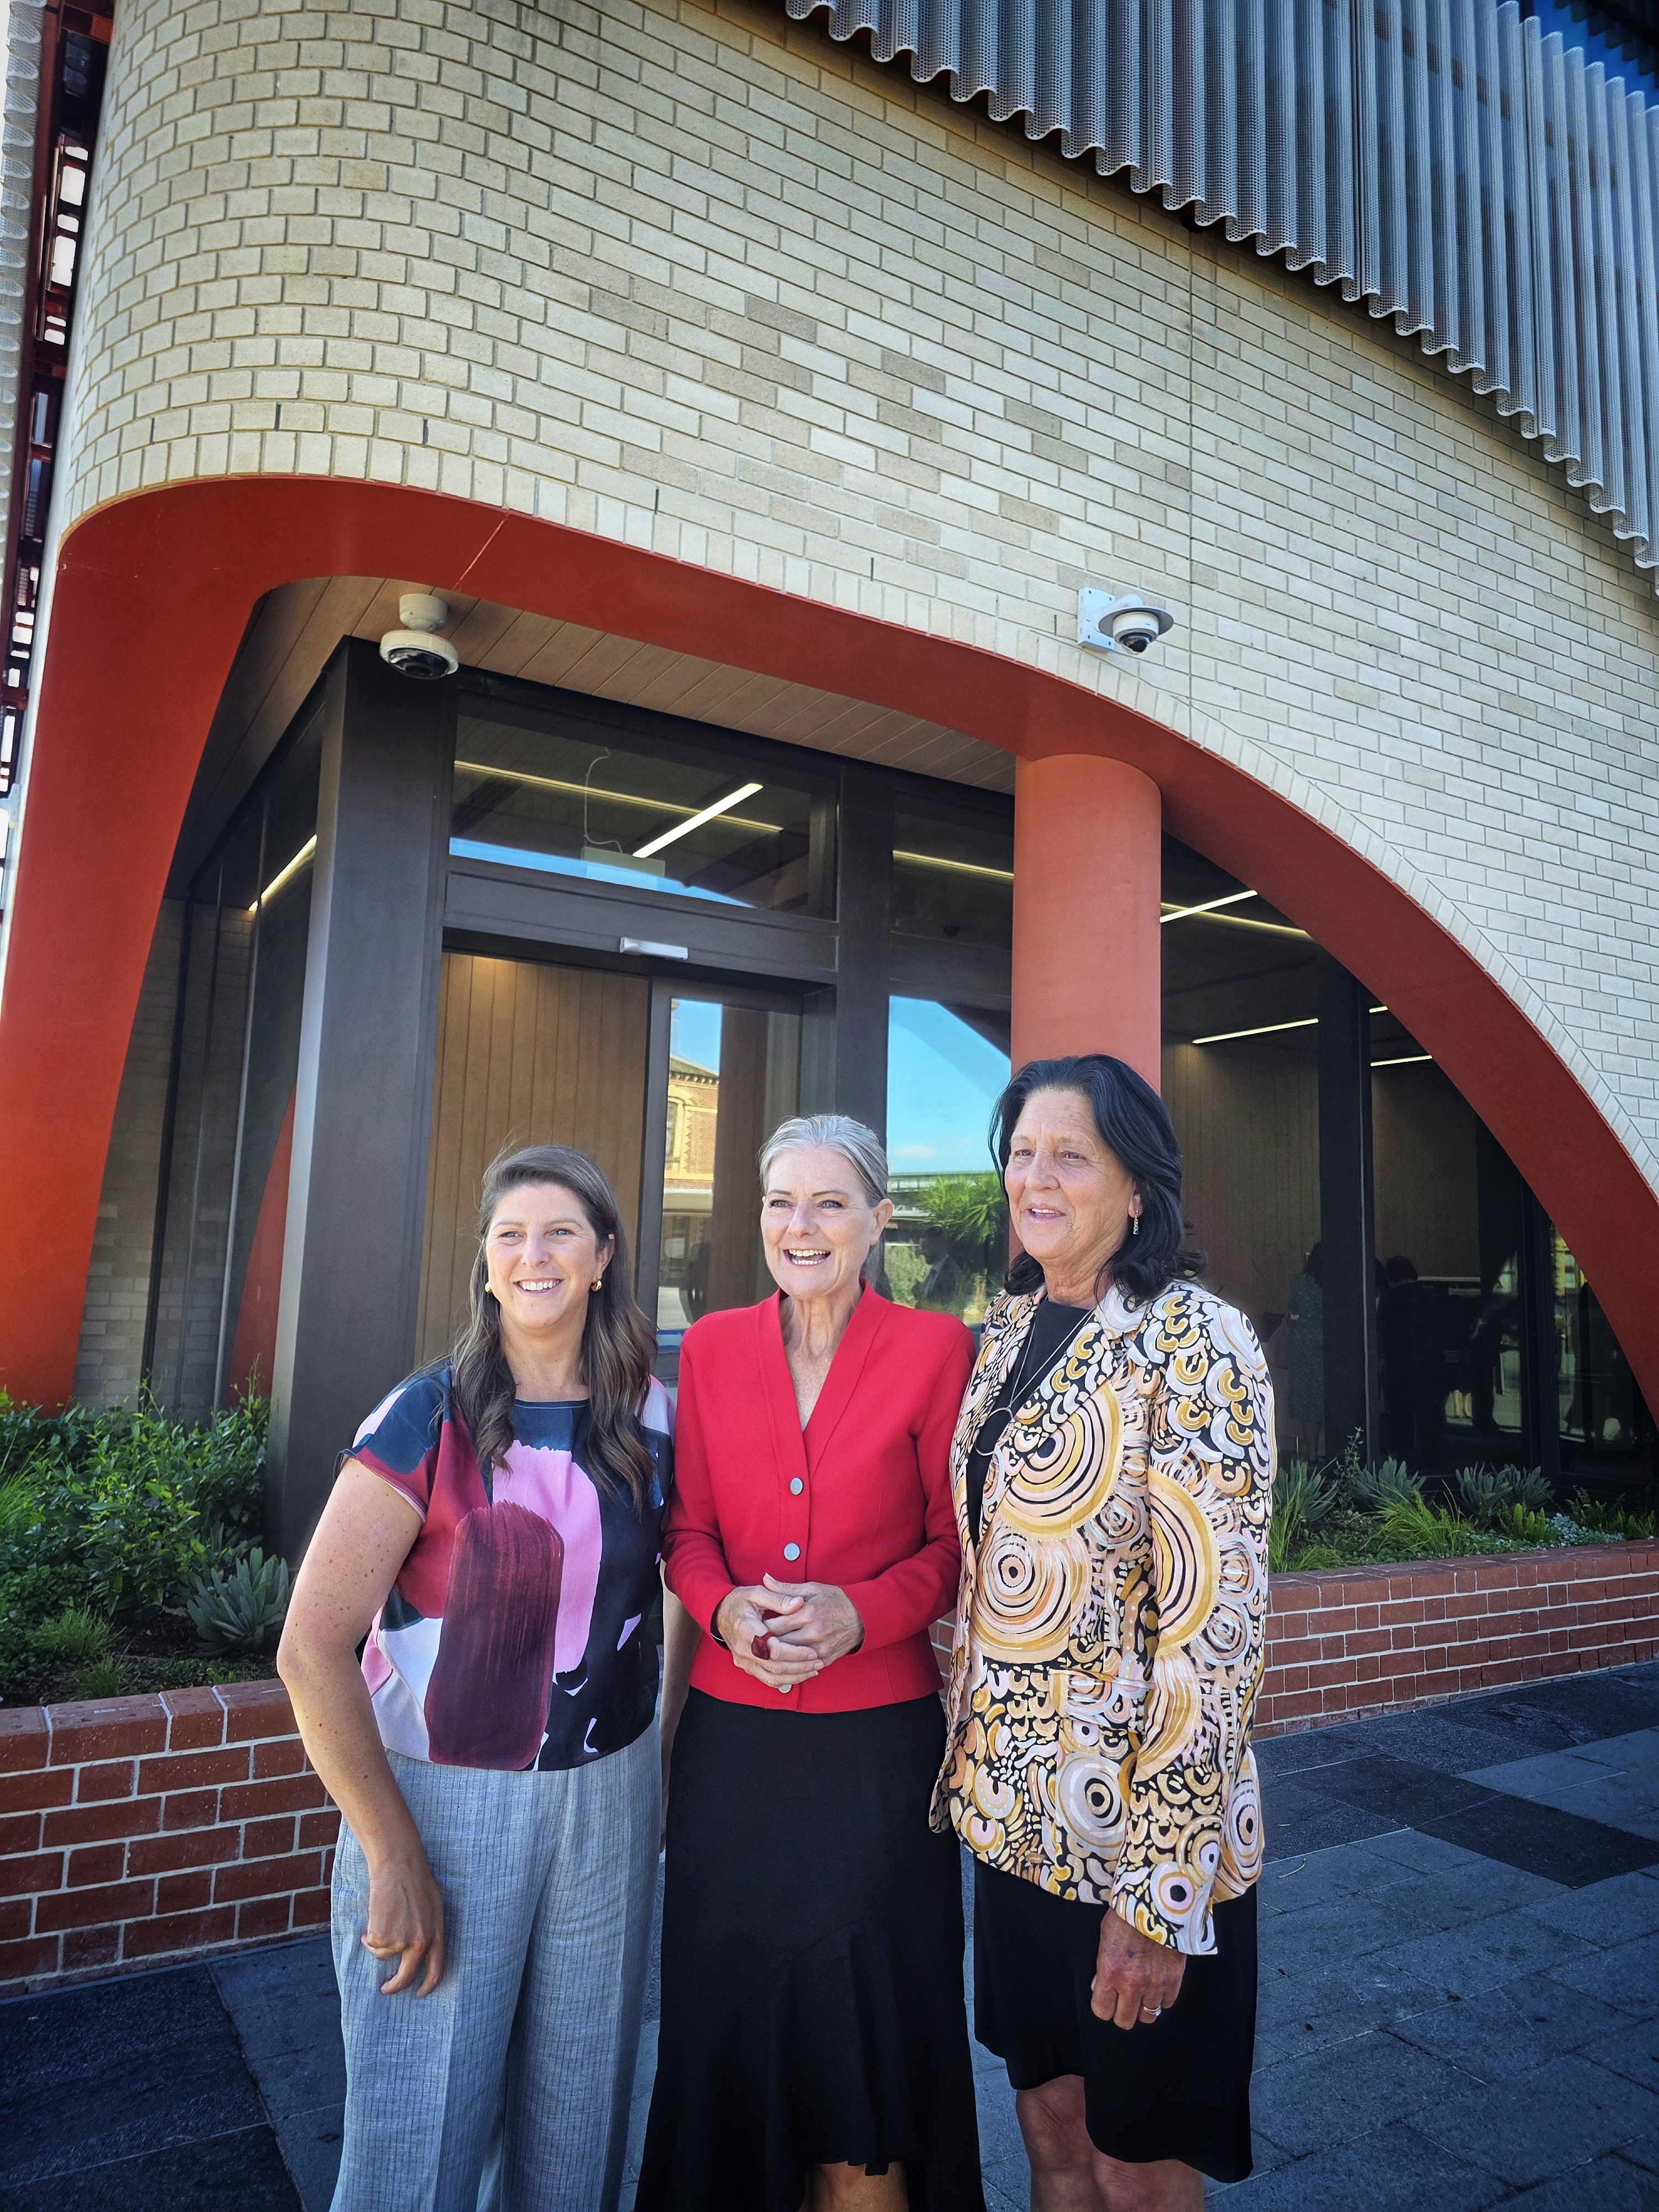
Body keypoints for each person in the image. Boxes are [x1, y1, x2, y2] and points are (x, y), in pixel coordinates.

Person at [277, 1144, 674, 2212]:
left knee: (580, 2132)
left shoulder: (653, 1420)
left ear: (602, 1259)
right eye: (510, 1236)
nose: (533, 1255)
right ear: (487, 1265)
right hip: (443, 1803)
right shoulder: (424, 1418)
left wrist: (658, 1768)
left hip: (610, 1803)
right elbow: (310, 1649)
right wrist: (391, 1849)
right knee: (422, 2145)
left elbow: (669, 1601)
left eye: (559, 1234)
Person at [932, 1055, 1275, 2212]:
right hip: (1017, 1825)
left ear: (1138, 1187)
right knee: (1050, 2129)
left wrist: (1160, 1897)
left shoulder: (1198, 1343)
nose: (1035, 1175)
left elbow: (1212, 1643)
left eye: (1068, 1152)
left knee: (1137, 2164)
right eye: (1022, 1151)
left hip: (1139, 1841)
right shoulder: (1008, 1326)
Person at [637, 1114, 984, 2212]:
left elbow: (953, 1548)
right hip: (731, 1764)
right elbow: (685, 1531)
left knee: (860, 2072)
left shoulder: (938, 1349)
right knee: (726, 2041)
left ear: (880, 1220)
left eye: (831, 1201)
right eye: (783, 1200)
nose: (803, 1224)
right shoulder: (714, 1347)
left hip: (874, 1768)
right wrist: (724, 1603)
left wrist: (864, 1613)